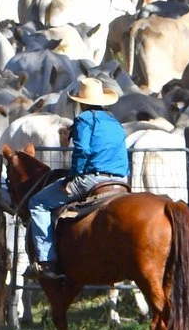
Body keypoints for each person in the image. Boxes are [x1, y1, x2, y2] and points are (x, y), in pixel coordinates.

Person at [27, 76, 131, 280]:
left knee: (37, 203)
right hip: (120, 180)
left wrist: (71, 179)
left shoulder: (84, 120)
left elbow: (82, 152)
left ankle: (47, 262)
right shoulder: (115, 123)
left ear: (80, 103)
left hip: (93, 179)